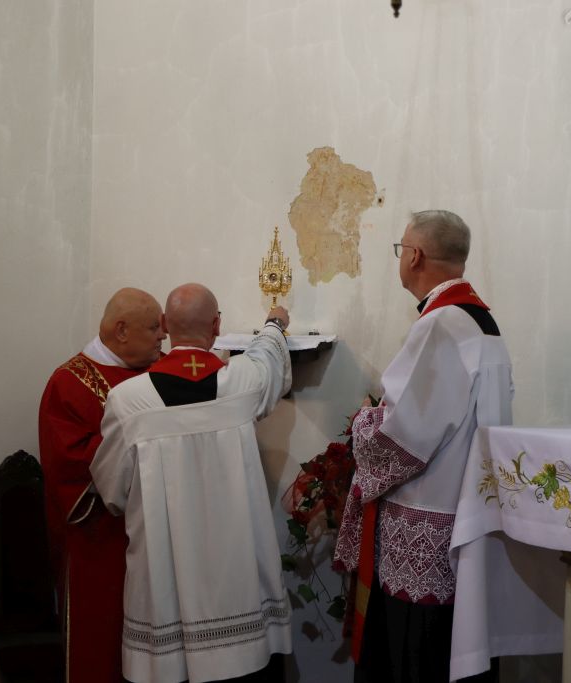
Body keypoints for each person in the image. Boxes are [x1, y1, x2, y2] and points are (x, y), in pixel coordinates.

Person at [333, 211, 514, 683]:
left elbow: (403, 435)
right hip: (463, 514)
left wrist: (364, 422)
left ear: (414, 256)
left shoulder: (442, 325)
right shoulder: (482, 322)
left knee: (414, 659)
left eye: (401, 248)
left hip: (425, 522)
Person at [90, 284, 293, 683]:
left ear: (165, 325)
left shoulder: (127, 401)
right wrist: (275, 323)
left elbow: (111, 490)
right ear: (216, 326)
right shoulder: (243, 383)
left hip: (163, 579)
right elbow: (267, 360)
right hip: (237, 586)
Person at [38, 287, 166, 682]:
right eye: (154, 328)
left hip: (160, 534)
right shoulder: (68, 383)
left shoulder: (160, 371)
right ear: (121, 331)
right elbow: (69, 462)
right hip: (101, 539)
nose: (163, 336)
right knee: (104, 647)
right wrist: (139, 443)